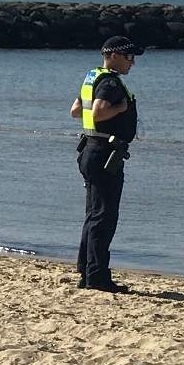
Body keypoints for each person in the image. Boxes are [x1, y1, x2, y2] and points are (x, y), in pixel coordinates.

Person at [70, 35, 144, 294]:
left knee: (93, 214)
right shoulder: (111, 83)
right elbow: (100, 111)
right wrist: (122, 107)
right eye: (128, 57)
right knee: (104, 216)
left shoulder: (93, 77)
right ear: (113, 56)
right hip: (104, 154)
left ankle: (86, 270)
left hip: (90, 150)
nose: (132, 63)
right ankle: (98, 277)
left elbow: (76, 110)